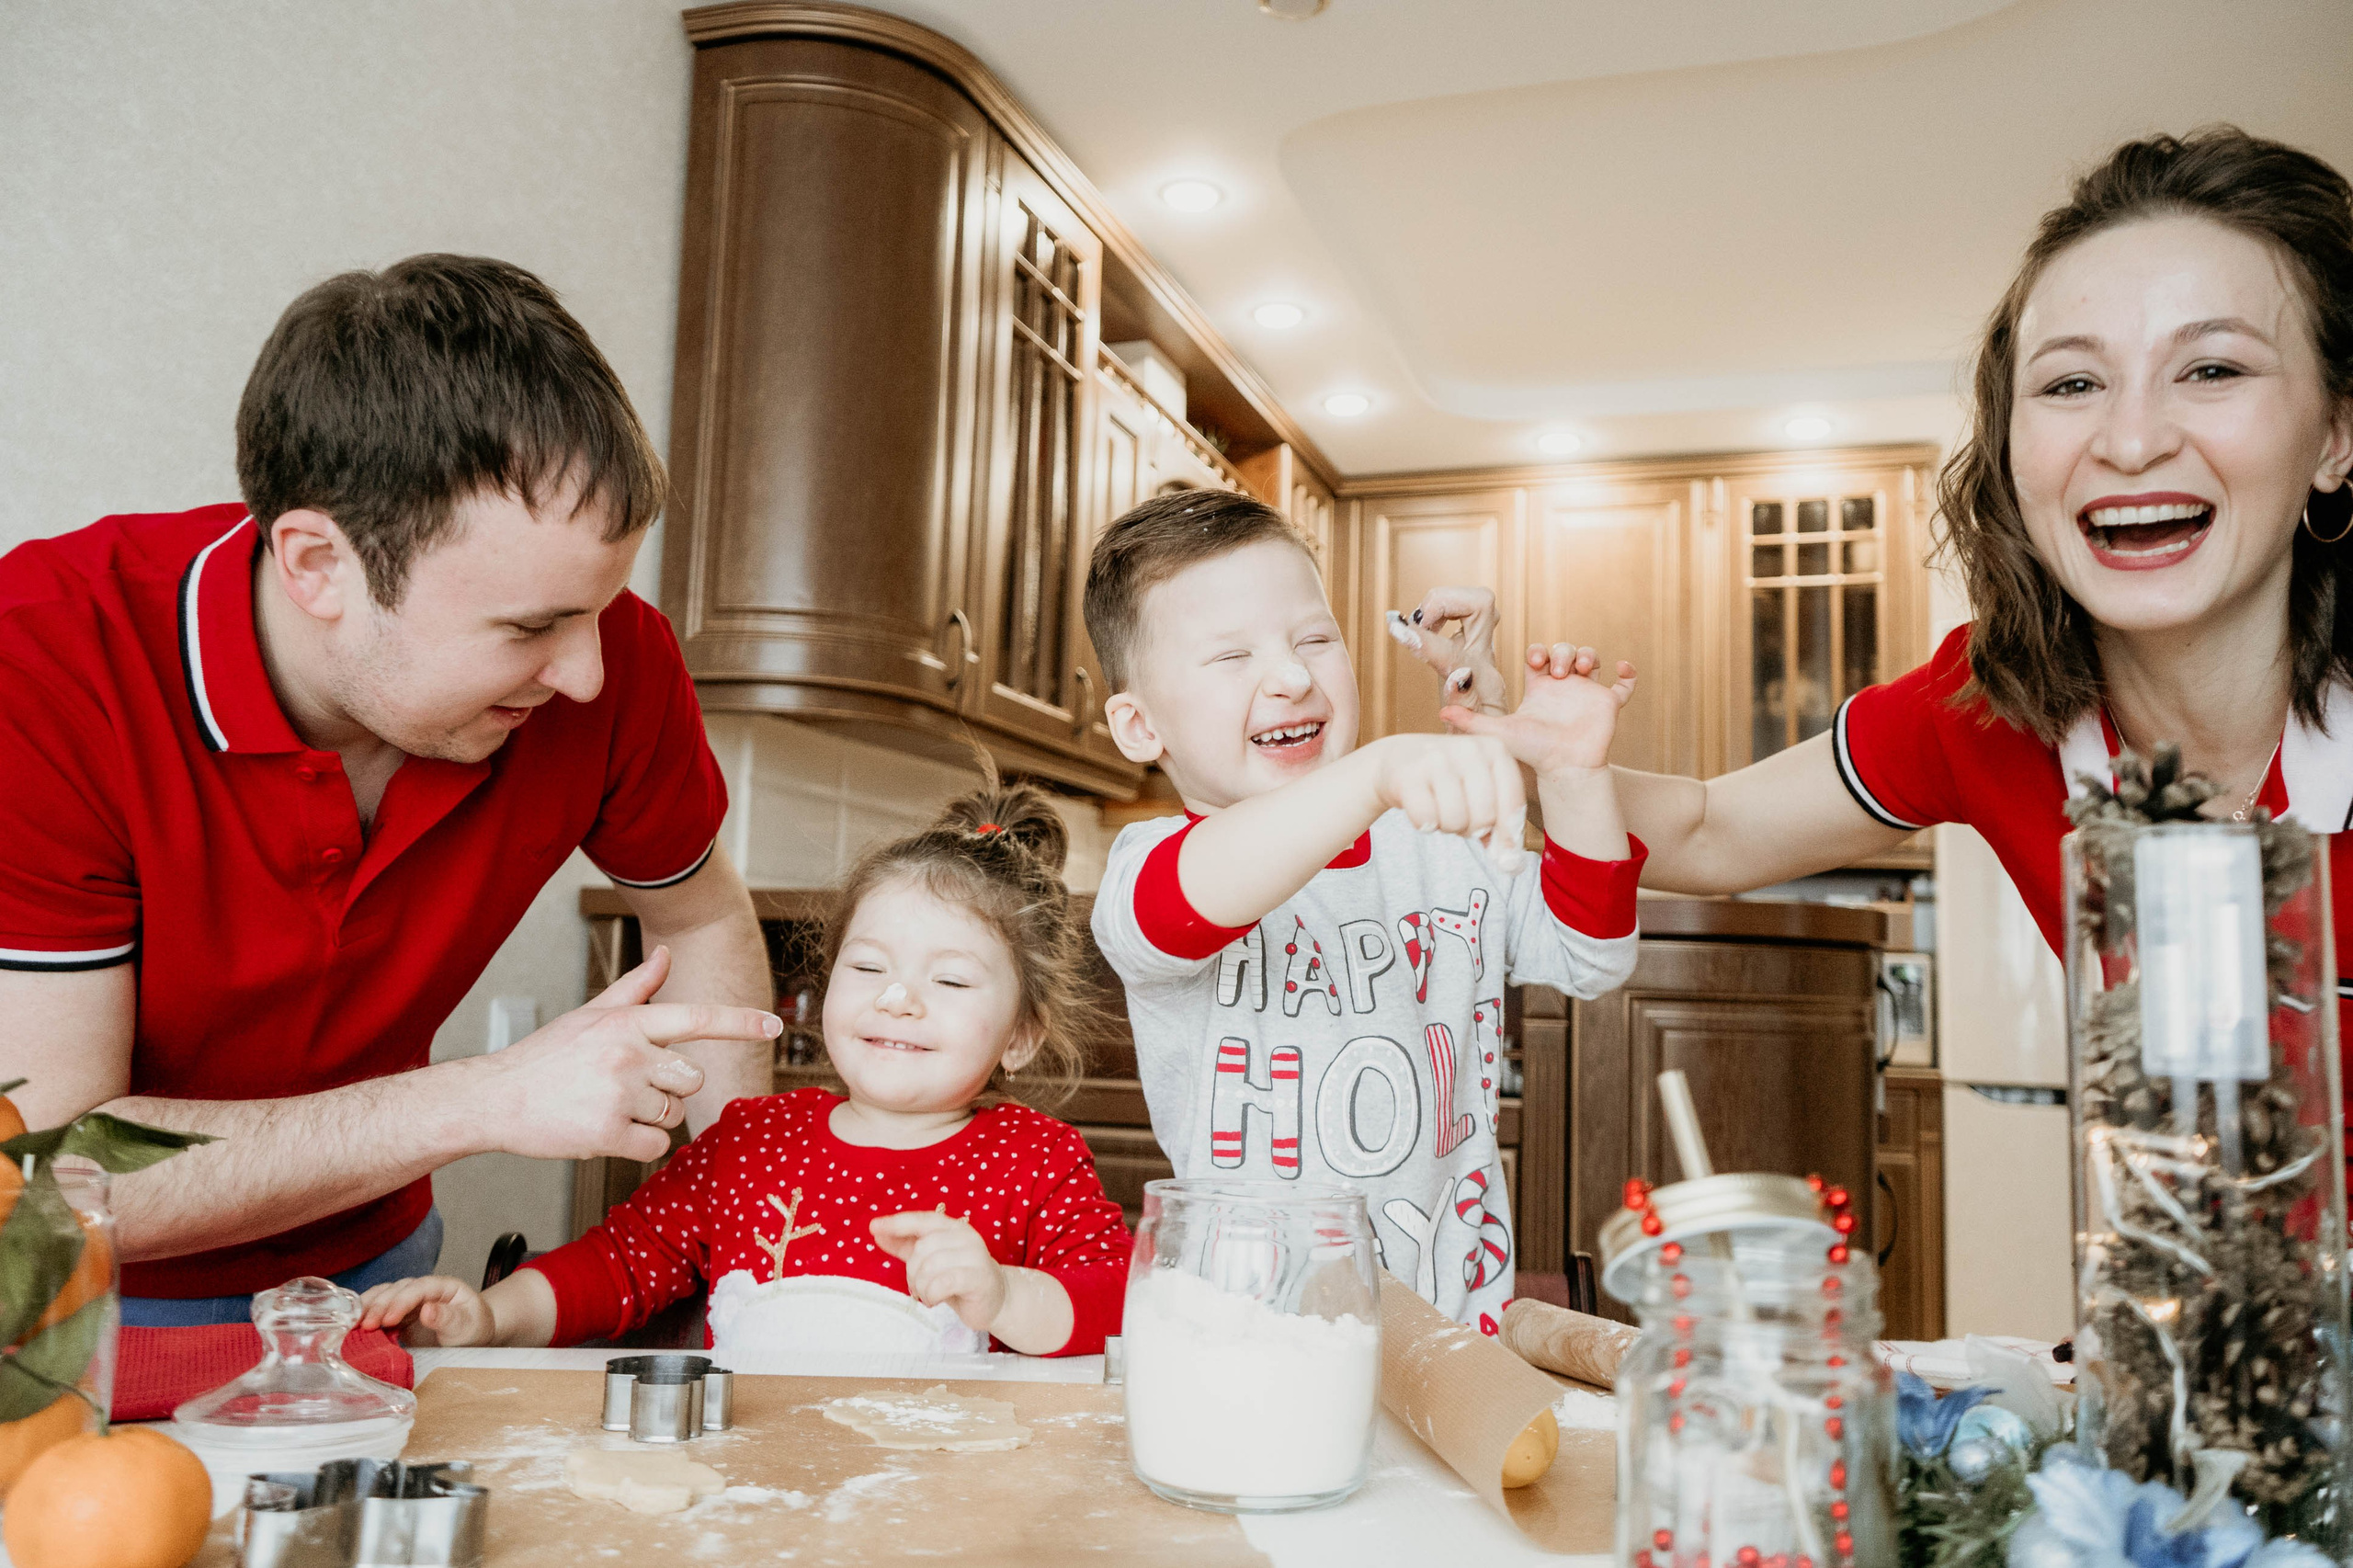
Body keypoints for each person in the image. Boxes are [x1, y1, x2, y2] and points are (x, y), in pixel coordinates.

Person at [1408, 128, 2353, 1061]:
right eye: (2072, 381)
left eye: (2213, 369)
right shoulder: (1986, 706)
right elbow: (1709, 829)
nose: (2132, 438)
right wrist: (1538, 754)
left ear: (2334, 435)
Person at [0, 255, 782, 1324]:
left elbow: (696, 918)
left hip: (374, 1259)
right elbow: (54, 1172)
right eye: (528, 626)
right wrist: (488, 1094)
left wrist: (761, 1237)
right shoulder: (41, 669)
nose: (588, 672)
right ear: (318, 564)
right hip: (77, 1296)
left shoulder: (613, 663)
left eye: (598, 606)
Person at [1082, 490, 1643, 1333]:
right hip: (1245, 1340)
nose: (1294, 676)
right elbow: (1183, 905)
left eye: (1315, 639)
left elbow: (1592, 953)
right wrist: (1377, 771)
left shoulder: (1436, 848)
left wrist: (1570, 777)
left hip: (1454, 1334)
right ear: (1138, 725)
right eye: (1231, 657)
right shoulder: (1148, 868)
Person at [355, 785, 1131, 1357]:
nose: (897, 1001)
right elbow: (618, 1266)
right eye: (868, 969)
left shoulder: (1038, 1160)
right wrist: (490, 1317)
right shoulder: (751, 1140)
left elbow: (1120, 1306)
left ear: (1022, 1036)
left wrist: (1005, 1295)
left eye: (951, 981)